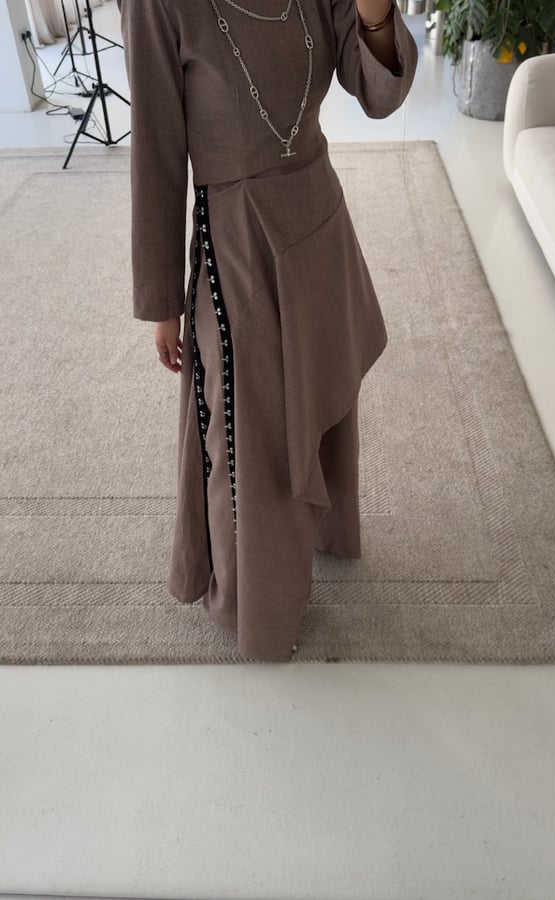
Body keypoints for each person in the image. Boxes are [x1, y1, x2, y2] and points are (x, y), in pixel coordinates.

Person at [117, 0, 418, 662]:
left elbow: (378, 94)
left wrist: (375, 14)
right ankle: (257, 604)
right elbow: (157, 148)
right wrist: (163, 298)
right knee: (250, 429)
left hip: (317, 217)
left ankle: (324, 534)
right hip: (239, 235)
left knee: (318, 392)